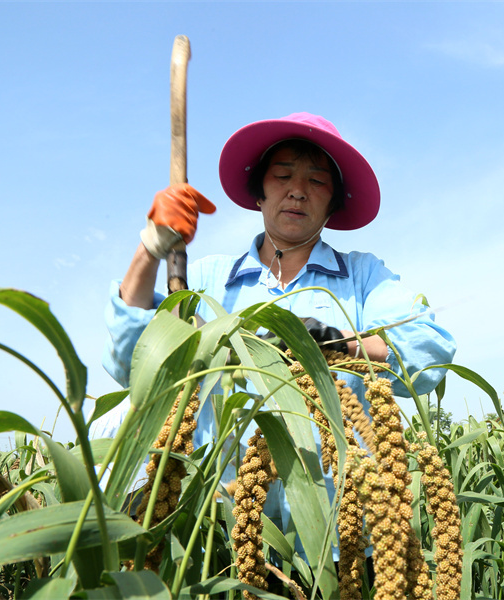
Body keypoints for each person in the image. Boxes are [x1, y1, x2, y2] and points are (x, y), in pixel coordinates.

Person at [94, 112, 456, 561]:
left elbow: (429, 347)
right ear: (260, 193)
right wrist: (152, 245)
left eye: (317, 181)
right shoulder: (209, 280)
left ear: (333, 203)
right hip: (216, 536)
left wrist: (337, 341)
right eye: (282, 175)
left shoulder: (361, 277)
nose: (297, 190)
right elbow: (130, 354)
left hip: (336, 538)